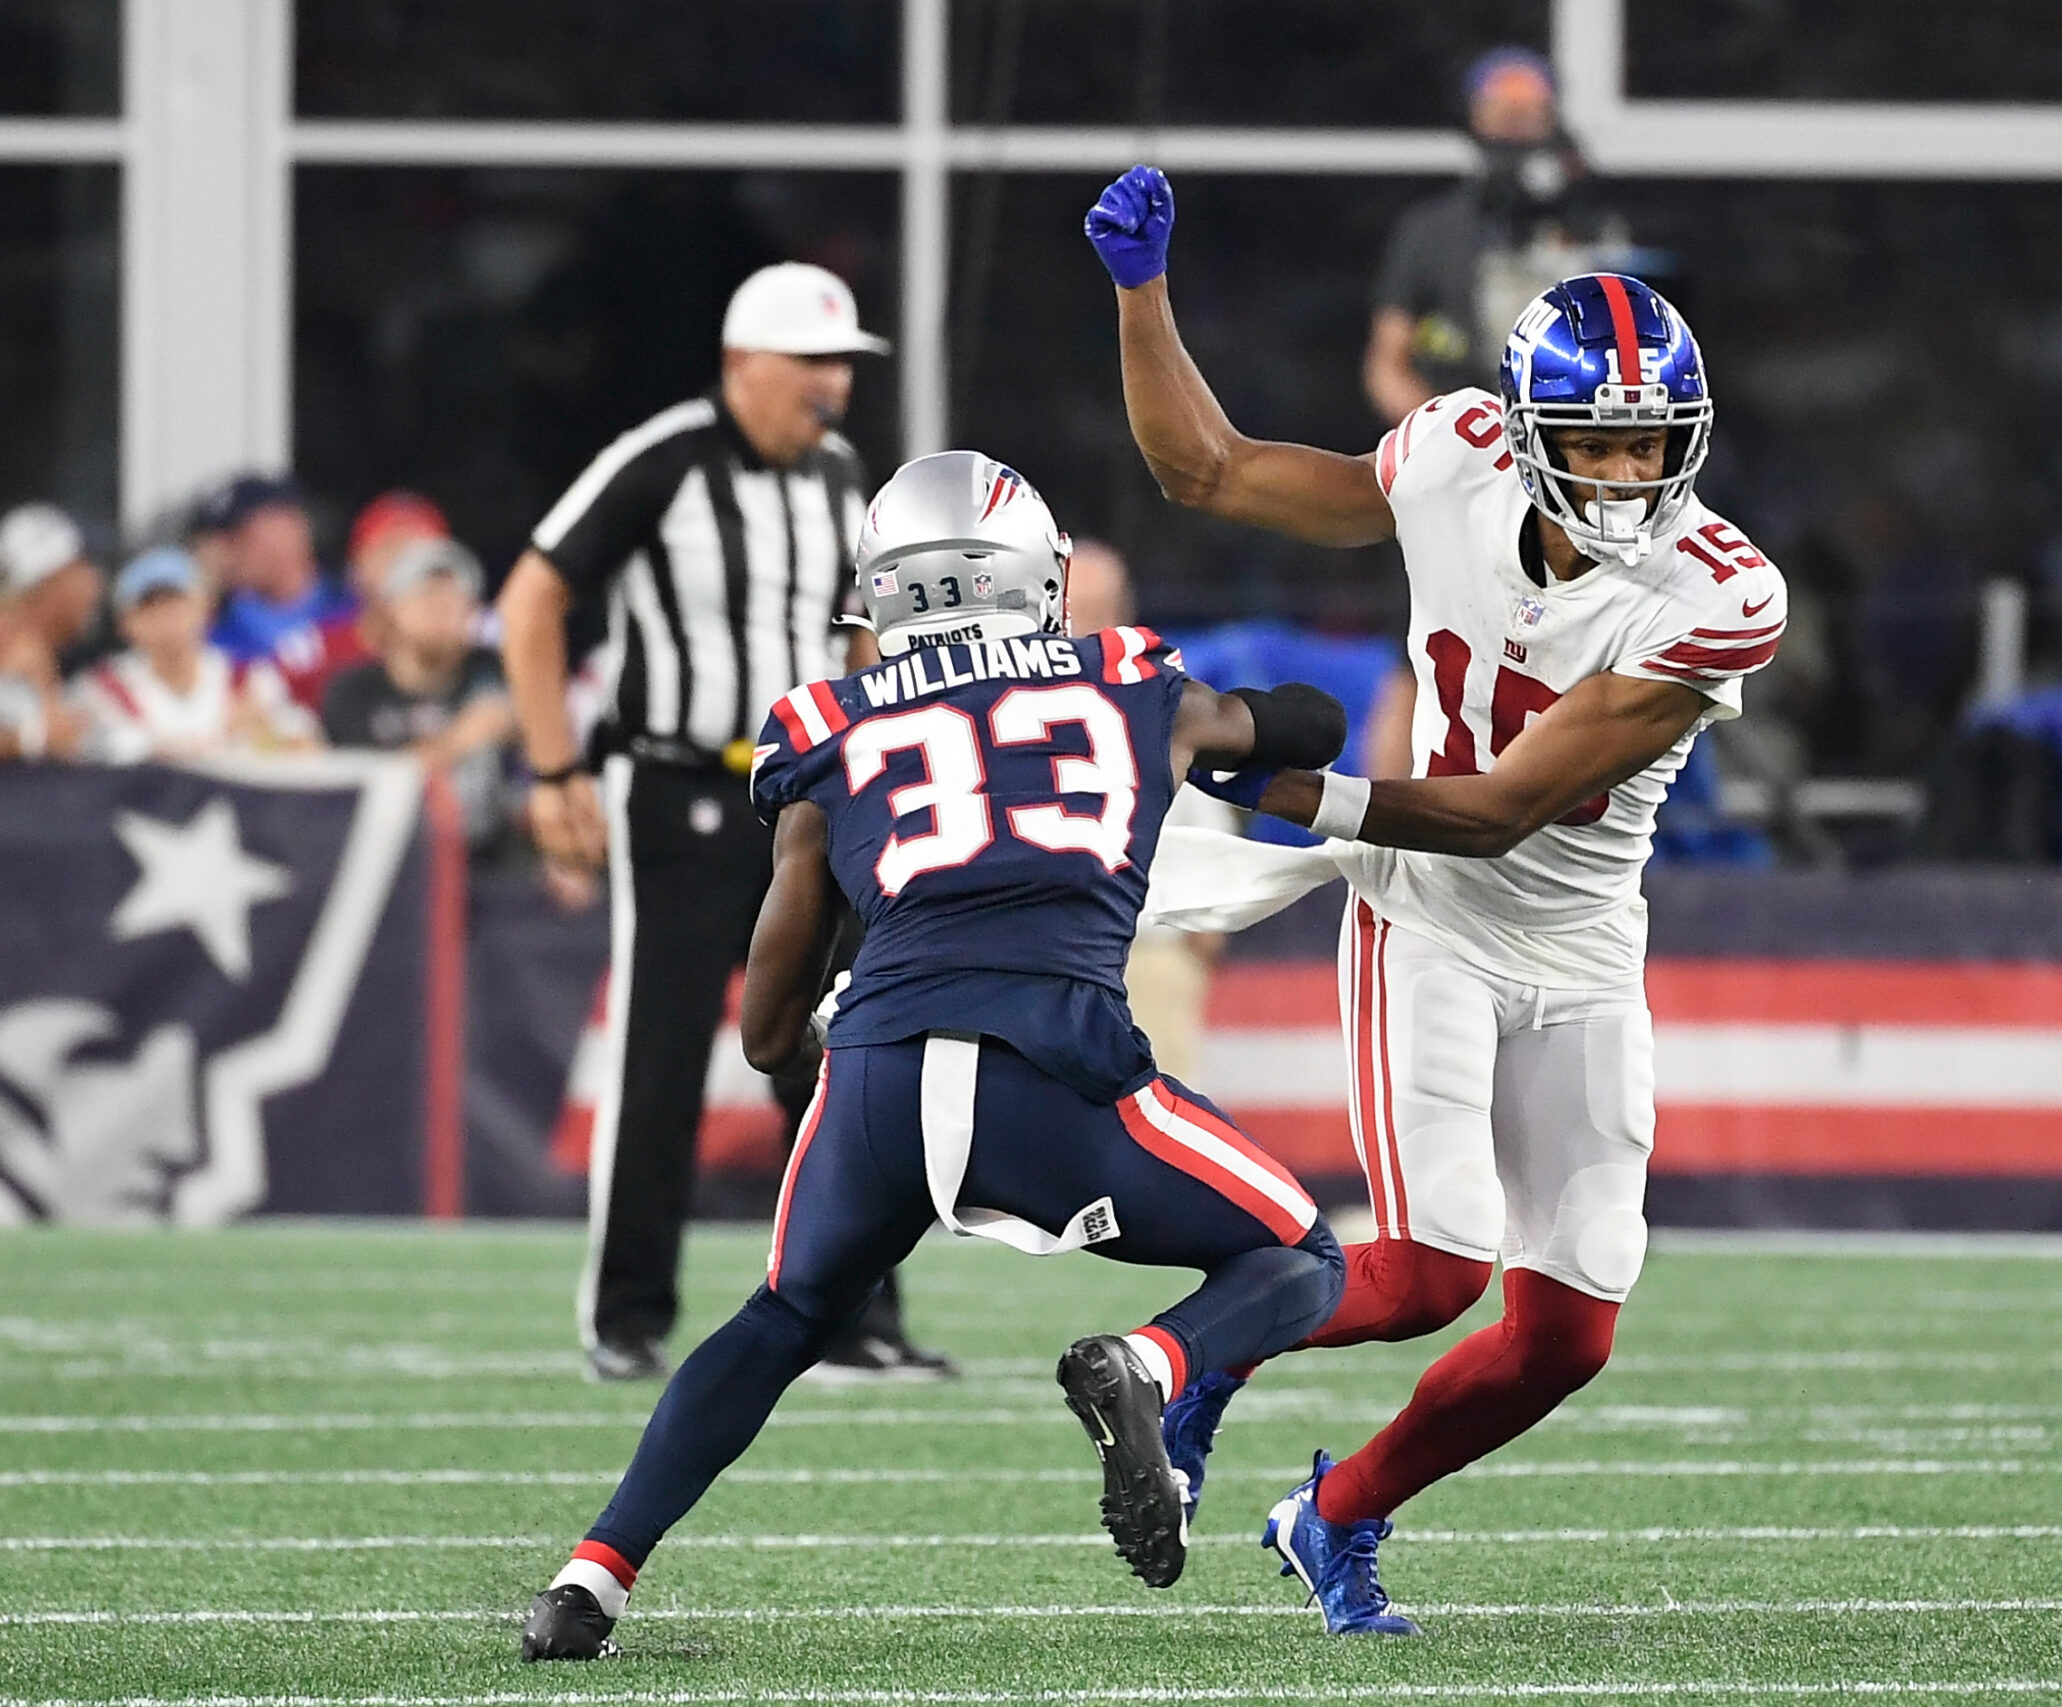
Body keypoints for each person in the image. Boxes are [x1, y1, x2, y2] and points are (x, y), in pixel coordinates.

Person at [1087, 166, 1786, 1633]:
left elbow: (1508, 803)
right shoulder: (1456, 453)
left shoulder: (1716, 590)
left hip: (1576, 929)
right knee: (1427, 1266)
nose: (1626, 475)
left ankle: (1330, 1514)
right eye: (1593, 444)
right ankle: (1170, 1362)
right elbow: (1205, 469)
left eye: (1652, 442)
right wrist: (1141, 295)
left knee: (1567, 1334)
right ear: (1525, 439)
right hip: (1432, 914)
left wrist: (1290, 792)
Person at [519, 451, 1352, 1660]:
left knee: (784, 1313)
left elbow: (763, 1025)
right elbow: (1308, 723)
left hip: (879, 1077)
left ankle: (588, 1582)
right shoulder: (1129, 677)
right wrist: (1214, 740)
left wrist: (825, 1034)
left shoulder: (826, 722)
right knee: (1302, 1253)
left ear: (884, 595)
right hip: (1058, 1072)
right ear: (1041, 581)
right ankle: (1149, 1361)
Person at [497, 259, 950, 1385]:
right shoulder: (661, 461)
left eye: (843, 365)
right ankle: (628, 1314)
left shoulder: (846, 476)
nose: (832, 387)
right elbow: (531, 598)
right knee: (662, 1052)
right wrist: (554, 764)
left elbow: (862, 634)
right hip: (679, 786)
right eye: (811, 362)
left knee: (845, 1047)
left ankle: (856, 1316)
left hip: (807, 793)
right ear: (744, 361)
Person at [1365, 47, 1632, 423]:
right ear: (1474, 118)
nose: (1515, 129)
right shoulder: (1431, 230)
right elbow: (1387, 366)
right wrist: (1443, 436)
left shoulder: (1597, 228)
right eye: (1503, 114)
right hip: (1465, 436)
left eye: (1528, 114)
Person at [1066, 538, 1240, 1081]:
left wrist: (1198, 939)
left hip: (1150, 953)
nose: (1083, 627)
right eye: (1074, 611)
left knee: (1162, 1128)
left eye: (1096, 610)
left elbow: (1214, 825)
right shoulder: (1005, 705)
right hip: (1048, 962)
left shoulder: (1161, 699)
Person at [321, 539, 517, 851]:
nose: (442, 610)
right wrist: (461, 738)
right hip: (390, 863)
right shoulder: (354, 692)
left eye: (455, 600)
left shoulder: (498, 676)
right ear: (392, 608)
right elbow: (364, 792)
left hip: (488, 862)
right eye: (427, 596)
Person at [73, 548, 318, 763]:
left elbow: (303, 740)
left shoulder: (248, 678)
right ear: (124, 624)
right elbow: (108, 752)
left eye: (177, 604)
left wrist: (267, 733)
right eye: (149, 607)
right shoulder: (101, 689)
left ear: (206, 609)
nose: (167, 620)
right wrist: (224, 737)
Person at [279, 489, 456, 709]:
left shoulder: (478, 638)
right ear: (357, 566)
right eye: (390, 550)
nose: (404, 566)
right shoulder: (313, 650)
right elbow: (248, 698)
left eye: (421, 555)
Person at [200, 475, 361, 671]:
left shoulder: (354, 606)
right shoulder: (216, 633)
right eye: (224, 542)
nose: (230, 553)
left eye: (241, 536)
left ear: (289, 526)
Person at [0, 502, 103, 762]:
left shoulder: (48, 649)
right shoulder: (11, 645)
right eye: (82, 569)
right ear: (49, 582)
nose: (95, 583)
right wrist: (33, 739)